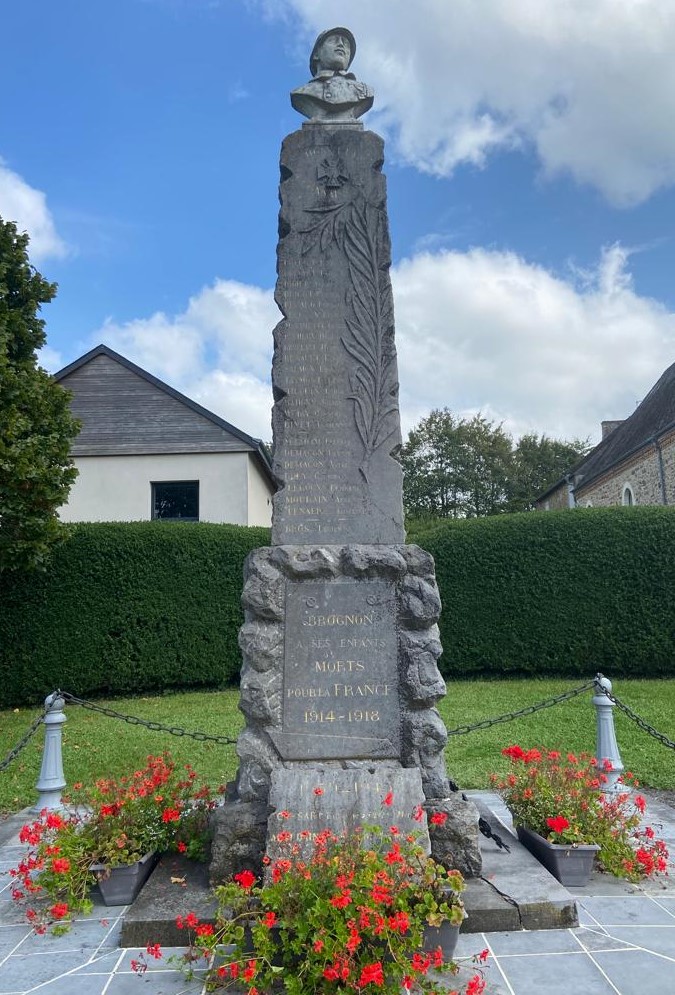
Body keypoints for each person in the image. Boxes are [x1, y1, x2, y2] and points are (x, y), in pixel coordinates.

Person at [291, 27, 374, 122]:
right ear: (316, 54)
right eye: (333, 40)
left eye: (346, 44)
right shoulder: (302, 92)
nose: (341, 44)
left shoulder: (365, 92)